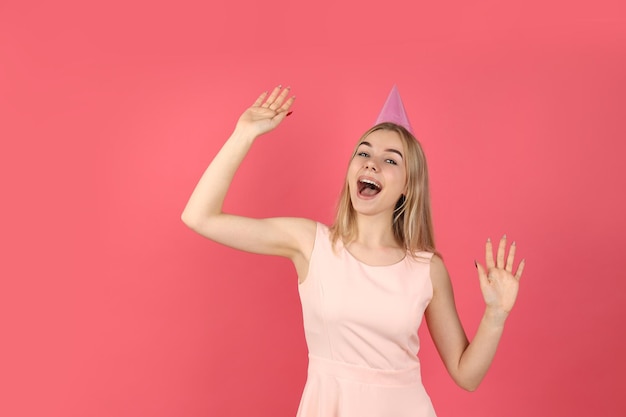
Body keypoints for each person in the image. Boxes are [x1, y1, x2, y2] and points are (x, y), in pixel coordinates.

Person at [181, 85, 525, 417]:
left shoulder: (426, 268)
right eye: (363, 152)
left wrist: (495, 315)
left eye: (390, 160)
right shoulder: (310, 244)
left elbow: (467, 376)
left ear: (408, 186)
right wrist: (244, 134)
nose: (371, 163)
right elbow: (200, 217)